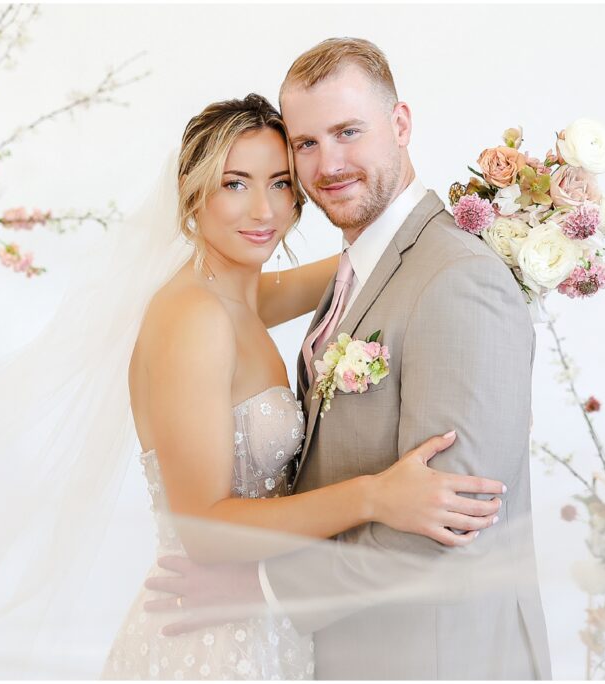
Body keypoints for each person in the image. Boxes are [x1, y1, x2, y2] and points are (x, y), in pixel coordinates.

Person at [145, 38, 553, 680]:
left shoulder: (455, 280)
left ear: (401, 125)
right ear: (194, 193)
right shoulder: (330, 277)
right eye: (306, 144)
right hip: (273, 641)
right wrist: (370, 498)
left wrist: (264, 589)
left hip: (429, 659)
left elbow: (452, 519)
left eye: (348, 132)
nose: (326, 164)